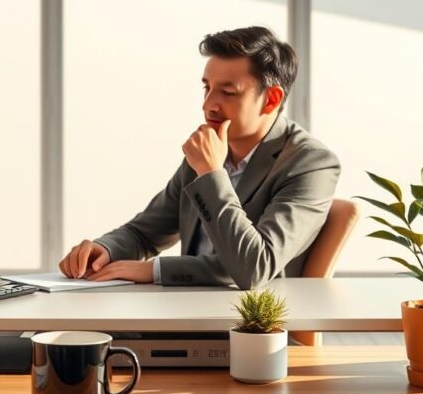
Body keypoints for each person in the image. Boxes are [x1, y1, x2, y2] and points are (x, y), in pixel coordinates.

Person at [59, 26, 340, 289]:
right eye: (207, 87)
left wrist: (211, 174)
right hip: (183, 312)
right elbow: (146, 232)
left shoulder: (311, 164)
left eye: (227, 92)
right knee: (60, 330)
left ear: (271, 99)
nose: (208, 105)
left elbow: (254, 267)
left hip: (251, 328)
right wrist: (104, 249)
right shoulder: (211, 148)